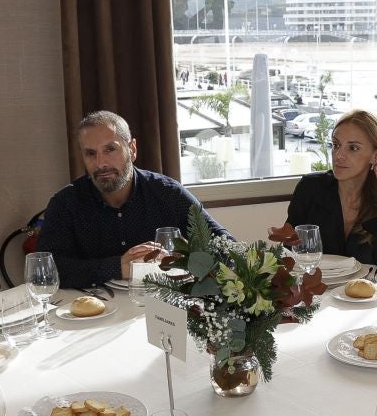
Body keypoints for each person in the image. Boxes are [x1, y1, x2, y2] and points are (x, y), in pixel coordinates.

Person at [35, 110, 232, 288]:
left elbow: (227, 248)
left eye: (110, 149)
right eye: (90, 154)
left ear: (132, 149)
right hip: (93, 319)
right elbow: (44, 271)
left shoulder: (168, 193)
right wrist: (117, 267)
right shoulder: (65, 204)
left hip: (163, 311)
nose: (101, 163)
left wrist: (185, 256)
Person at [279, 109, 377, 268]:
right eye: (336, 145)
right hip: (317, 288)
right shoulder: (311, 188)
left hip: (366, 291)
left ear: (375, 155)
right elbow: (289, 249)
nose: (338, 155)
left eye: (353, 148)